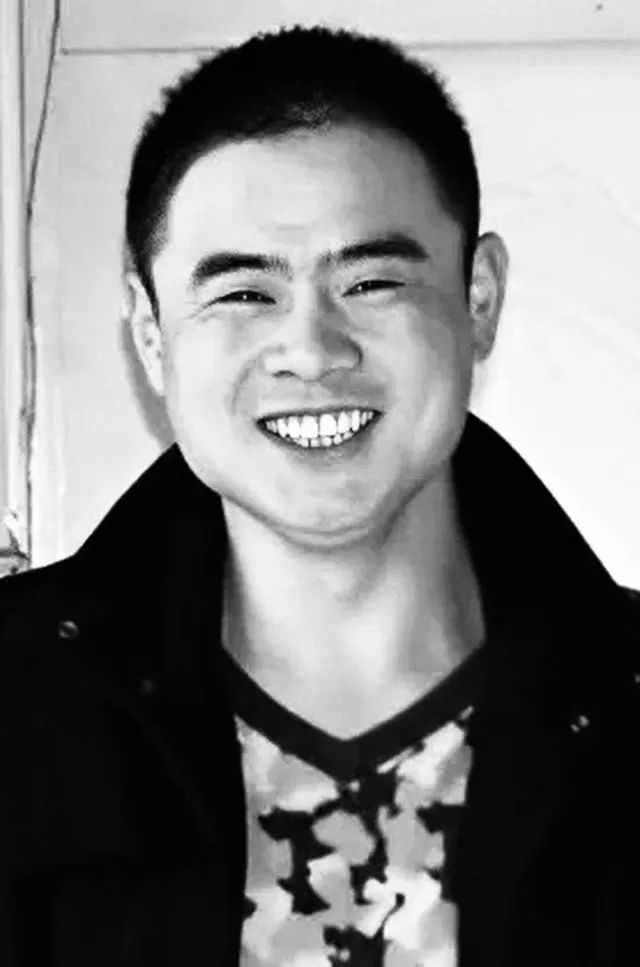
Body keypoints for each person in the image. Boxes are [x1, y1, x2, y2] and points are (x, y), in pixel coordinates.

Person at [0, 25, 637, 967]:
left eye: (371, 281)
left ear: (479, 298)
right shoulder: (20, 716)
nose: (311, 349)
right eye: (242, 294)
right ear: (150, 333)